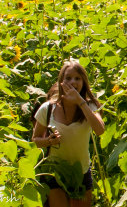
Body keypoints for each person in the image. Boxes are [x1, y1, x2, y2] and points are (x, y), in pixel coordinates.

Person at [32, 61, 105, 207]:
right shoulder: (48, 108)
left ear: (83, 81)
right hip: (55, 171)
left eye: (77, 78)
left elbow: (100, 130)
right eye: (68, 78)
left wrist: (80, 101)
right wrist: (48, 141)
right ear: (61, 82)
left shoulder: (90, 106)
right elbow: (35, 140)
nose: (73, 82)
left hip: (81, 172)